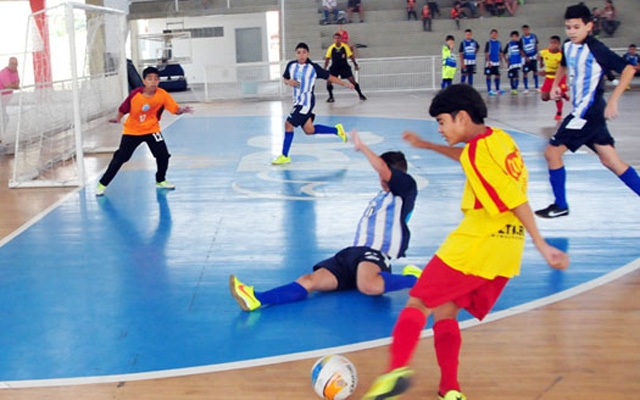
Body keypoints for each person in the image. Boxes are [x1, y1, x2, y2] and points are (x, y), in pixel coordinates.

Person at [361, 83, 569, 400]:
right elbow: (468, 158)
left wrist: (542, 244)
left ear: (462, 117)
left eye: (442, 122)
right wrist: (429, 146)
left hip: (476, 243)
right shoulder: (499, 139)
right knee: (446, 311)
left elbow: (514, 199)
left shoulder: (478, 154)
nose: (441, 129)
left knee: (418, 302)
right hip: (505, 251)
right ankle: (450, 389)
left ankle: (395, 371)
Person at [229, 131, 420, 312]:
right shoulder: (381, 197)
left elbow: (383, 168)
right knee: (309, 280)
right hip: (351, 254)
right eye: (380, 176)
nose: (381, 179)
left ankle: (414, 279)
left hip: (374, 255)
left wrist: (362, 147)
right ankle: (257, 298)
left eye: (385, 175)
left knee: (368, 285)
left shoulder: (406, 190)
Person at [535, 4, 640, 218]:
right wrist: (556, 84)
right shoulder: (568, 45)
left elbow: (629, 69)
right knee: (611, 161)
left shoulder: (597, 49)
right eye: (568, 27)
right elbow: (563, 65)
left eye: (576, 27)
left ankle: (560, 204)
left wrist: (613, 100)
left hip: (588, 112)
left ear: (589, 26)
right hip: (585, 111)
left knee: (552, 152)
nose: (572, 31)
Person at [96, 66, 193, 196]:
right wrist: (118, 119)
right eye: (150, 79)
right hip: (132, 131)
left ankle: (160, 180)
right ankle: (102, 184)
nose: (153, 81)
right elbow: (123, 108)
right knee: (121, 158)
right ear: (144, 81)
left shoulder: (162, 94)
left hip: (152, 129)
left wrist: (182, 110)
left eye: (156, 79)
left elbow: (174, 109)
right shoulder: (136, 94)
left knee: (163, 155)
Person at [272, 42, 354, 165]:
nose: (301, 55)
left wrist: (345, 83)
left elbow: (330, 77)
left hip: (305, 102)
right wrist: (289, 82)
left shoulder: (313, 68)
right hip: (297, 102)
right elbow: (285, 79)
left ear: (308, 54)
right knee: (309, 130)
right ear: (295, 54)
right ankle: (337, 130)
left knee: (288, 124)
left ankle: (284, 155)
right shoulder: (291, 65)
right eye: (299, 52)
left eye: (304, 52)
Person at [324, 33, 367, 103]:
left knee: (352, 81)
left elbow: (351, 56)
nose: (337, 40)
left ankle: (360, 94)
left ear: (340, 39)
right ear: (333, 39)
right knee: (329, 81)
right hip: (335, 67)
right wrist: (325, 68)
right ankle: (331, 97)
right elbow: (327, 58)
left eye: (338, 38)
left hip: (344, 66)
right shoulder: (331, 48)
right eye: (335, 38)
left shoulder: (345, 47)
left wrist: (355, 64)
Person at [539, 35, 570, 120]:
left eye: (555, 43)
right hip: (549, 77)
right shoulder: (544, 52)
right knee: (544, 98)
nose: (553, 45)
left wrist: (546, 72)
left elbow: (561, 70)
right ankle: (563, 94)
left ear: (559, 44)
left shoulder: (561, 55)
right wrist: (541, 63)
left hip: (559, 77)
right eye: (551, 43)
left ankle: (559, 112)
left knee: (556, 96)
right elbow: (541, 56)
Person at [0, 57, 20, 141]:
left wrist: (14, 85)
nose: (14, 65)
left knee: (5, 119)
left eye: (15, 64)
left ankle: (1, 137)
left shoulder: (15, 72)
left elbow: (18, 83)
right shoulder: (5, 72)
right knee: (4, 119)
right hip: (1, 99)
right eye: (12, 63)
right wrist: (14, 85)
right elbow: (7, 85)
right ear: (9, 64)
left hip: (4, 101)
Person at [520, 25, 540, 93]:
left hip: (533, 57)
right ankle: (526, 88)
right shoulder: (522, 39)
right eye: (524, 30)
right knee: (525, 73)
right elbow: (521, 50)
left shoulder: (533, 36)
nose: (526, 31)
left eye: (527, 30)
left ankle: (536, 87)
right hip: (526, 58)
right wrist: (525, 57)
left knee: (535, 71)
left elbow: (536, 46)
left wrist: (538, 54)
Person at [484, 29, 504, 95]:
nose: (494, 35)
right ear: (491, 34)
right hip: (490, 62)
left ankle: (497, 89)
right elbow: (486, 53)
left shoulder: (498, 43)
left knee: (498, 75)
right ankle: (489, 90)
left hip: (497, 61)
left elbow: (500, 53)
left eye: (496, 34)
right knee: (488, 75)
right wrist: (488, 61)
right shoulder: (488, 43)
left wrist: (501, 62)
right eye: (493, 34)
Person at [504, 30, 523, 95]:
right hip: (511, 63)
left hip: (517, 63)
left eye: (516, 36)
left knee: (517, 76)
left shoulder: (519, 43)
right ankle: (512, 88)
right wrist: (506, 59)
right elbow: (504, 53)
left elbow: (522, 51)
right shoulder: (509, 44)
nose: (514, 38)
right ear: (511, 37)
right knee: (511, 76)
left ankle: (516, 88)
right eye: (513, 36)